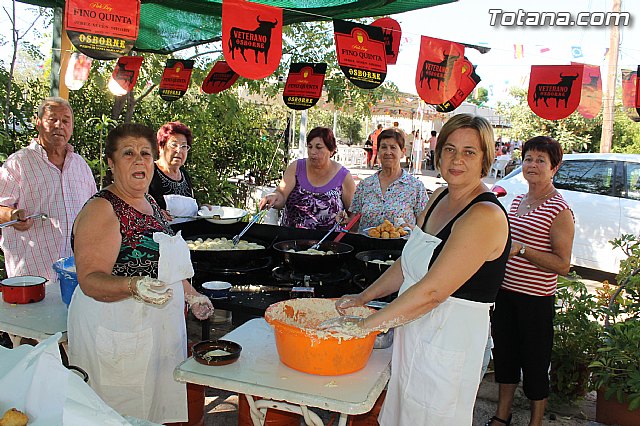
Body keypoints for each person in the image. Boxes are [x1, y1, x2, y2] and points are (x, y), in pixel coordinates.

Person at [326, 114, 511, 425]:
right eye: (449, 149)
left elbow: (433, 291)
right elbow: (408, 262)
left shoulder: (485, 215)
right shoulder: (439, 196)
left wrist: (364, 326)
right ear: (437, 154)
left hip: (449, 340)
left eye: (469, 152)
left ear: (485, 159)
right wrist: (362, 298)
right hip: (413, 330)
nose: (456, 160)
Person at [67, 123, 214, 424]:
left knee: (152, 414)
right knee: (118, 416)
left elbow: (165, 266)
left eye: (145, 153)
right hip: (117, 331)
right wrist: (133, 286)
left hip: (154, 334)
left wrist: (192, 295)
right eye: (128, 153)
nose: (139, 160)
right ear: (111, 162)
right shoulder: (103, 209)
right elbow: (90, 279)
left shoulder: (150, 204)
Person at [487, 136, 574, 426]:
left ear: (554, 168)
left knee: (536, 366)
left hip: (536, 301)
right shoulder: (517, 201)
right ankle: (502, 416)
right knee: (506, 360)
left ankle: (535, 422)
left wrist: (522, 250)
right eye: (528, 159)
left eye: (541, 160)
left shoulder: (559, 210)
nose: (532, 165)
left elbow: (563, 264)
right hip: (506, 295)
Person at [0, 97, 97, 282]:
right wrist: (12, 216)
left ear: (72, 127)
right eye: (52, 119)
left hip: (75, 274)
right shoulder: (18, 163)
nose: (59, 125)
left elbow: (94, 212)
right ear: (38, 123)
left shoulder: (80, 166)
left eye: (66, 120)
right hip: (31, 276)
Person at [259, 127, 355, 230]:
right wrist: (274, 197)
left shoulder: (344, 176)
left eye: (319, 147)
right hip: (290, 240)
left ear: (331, 150)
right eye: (310, 147)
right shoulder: (296, 167)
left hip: (328, 242)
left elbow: (353, 214)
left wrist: (347, 221)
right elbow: (282, 194)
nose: (313, 152)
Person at [345, 128, 428, 231]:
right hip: (367, 246)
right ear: (378, 151)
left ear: (403, 152)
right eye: (384, 147)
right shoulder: (365, 185)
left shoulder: (416, 187)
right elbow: (354, 224)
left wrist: (412, 230)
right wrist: (346, 220)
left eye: (393, 147)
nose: (388, 152)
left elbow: (424, 226)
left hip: (402, 246)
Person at [148, 121, 208, 221]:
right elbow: (136, 204)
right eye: (174, 144)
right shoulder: (149, 171)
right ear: (161, 147)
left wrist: (202, 209)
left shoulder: (184, 175)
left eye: (184, 146)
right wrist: (154, 212)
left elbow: (186, 210)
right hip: (158, 234)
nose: (179, 150)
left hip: (186, 234)